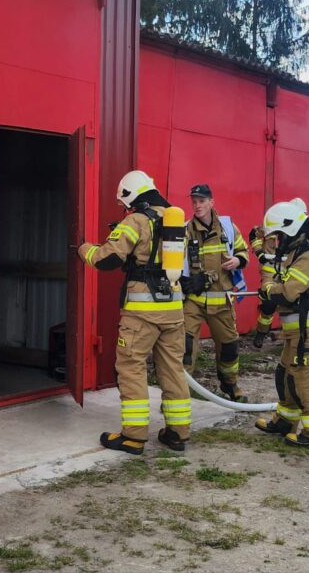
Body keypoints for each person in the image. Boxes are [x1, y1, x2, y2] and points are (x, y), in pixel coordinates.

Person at [78, 170, 191, 456]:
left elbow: (108, 258)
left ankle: (133, 436)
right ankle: (177, 433)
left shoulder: (137, 220)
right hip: (174, 310)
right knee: (172, 369)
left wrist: (83, 249)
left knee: (131, 368)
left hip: (142, 312)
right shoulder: (176, 222)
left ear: (130, 196)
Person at [254, 198, 309, 447]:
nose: (277, 241)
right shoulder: (295, 254)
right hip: (296, 331)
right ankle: (285, 421)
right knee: (286, 375)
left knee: (304, 380)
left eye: (279, 236)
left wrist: (268, 289)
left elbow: (288, 291)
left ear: (290, 231)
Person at [181, 183, 250, 402]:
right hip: (194, 301)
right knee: (185, 346)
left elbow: (243, 251)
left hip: (222, 301)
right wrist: (188, 282)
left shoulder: (228, 228)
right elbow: (176, 265)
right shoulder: (185, 230)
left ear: (212, 202)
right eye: (194, 202)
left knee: (229, 347)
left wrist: (238, 260)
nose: (197, 206)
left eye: (201, 201)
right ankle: (179, 393)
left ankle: (231, 387)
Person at [249, 224, 279, 348]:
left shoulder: (301, 233)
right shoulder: (272, 227)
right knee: (268, 303)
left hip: (291, 273)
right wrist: (259, 252)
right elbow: (253, 234)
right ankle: (261, 333)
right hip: (270, 273)